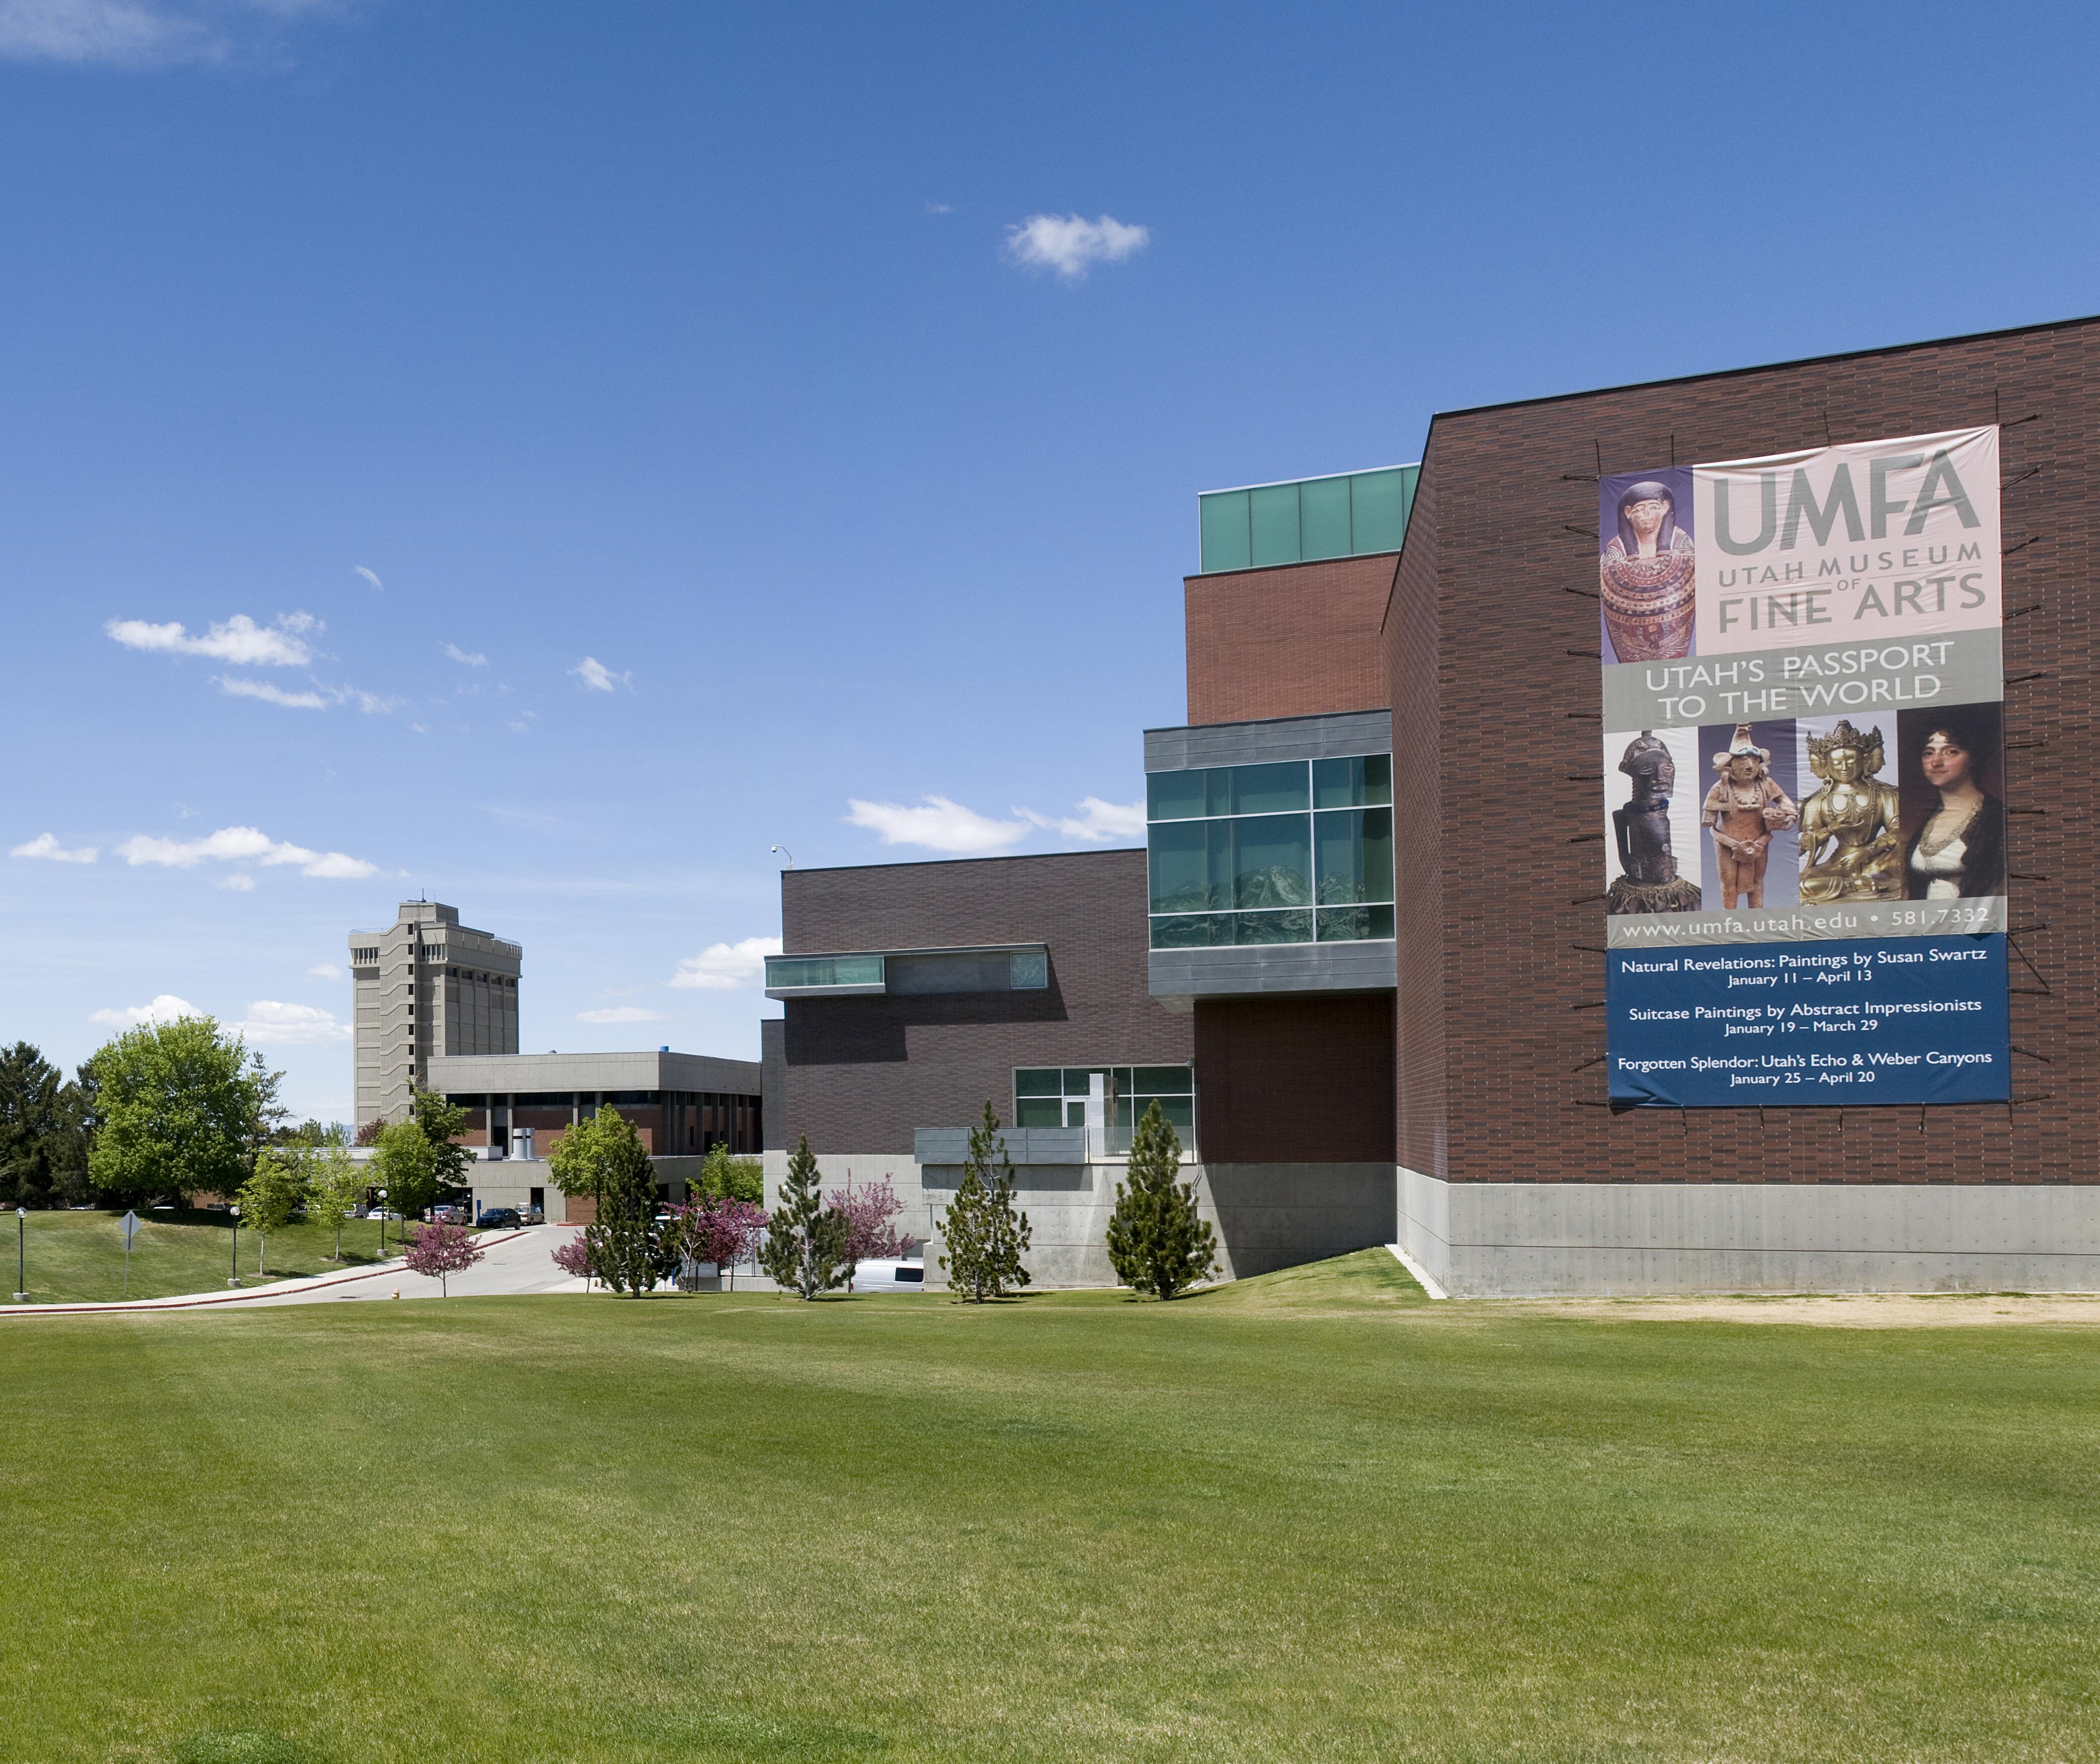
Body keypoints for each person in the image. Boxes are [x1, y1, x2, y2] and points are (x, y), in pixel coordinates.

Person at [1905, 710, 2006, 899]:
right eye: (1929, 753)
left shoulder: (1995, 818)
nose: (1936, 762)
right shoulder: (1929, 820)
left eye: (1951, 752)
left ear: (1974, 757)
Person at [1799, 720, 1903, 902]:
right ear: (1826, 765)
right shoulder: (1817, 801)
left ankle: (1869, 881)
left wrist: (1869, 851)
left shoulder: (1885, 794)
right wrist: (1830, 829)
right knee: (1800, 885)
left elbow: (1899, 830)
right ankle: (1854, 885)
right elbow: (1804, 845)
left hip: (1879, 859)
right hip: (1841, 861)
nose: (1844, 768)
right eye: (1837, 763)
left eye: (1851, 761)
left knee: (1904, 870)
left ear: (1865, 761)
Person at [1701, 725, 1798, 908]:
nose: (1749, 765)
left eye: (1754, 760)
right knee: (1729, 885)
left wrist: (1789, 815)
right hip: (1727, 845)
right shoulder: (1721, 788)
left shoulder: (1765, 784)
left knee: (1757, 883)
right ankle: (1731, 922)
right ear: (1729, 765)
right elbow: (1709, 819)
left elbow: (1784, 800)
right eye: (1743, 760)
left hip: (1759, 843)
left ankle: (1757, 919)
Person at [1600, 478, 1695, 661]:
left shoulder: (1681, 541)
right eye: (1639, 510)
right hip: (1627, 618)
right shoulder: (1615, 549)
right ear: (1628, 513)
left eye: (1653, 508)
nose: (1647, 515)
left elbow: (1687, 580)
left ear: (1666, 507)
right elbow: (1609, 584)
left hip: (1675, 612)